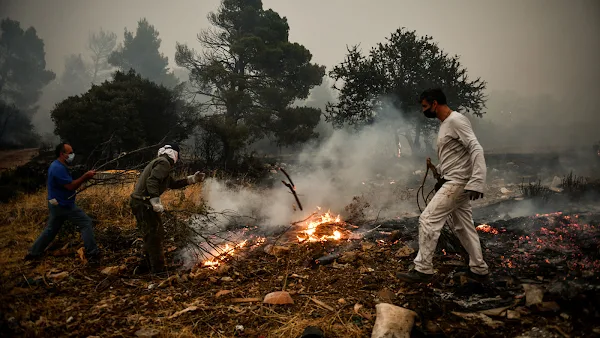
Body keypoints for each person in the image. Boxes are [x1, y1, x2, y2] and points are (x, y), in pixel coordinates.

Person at [397, 88, 489, 283]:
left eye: (424, 106)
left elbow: (475, 147)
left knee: (428, 220)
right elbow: (455, 156)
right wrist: (438, 170)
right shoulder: (446, 124)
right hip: (454, 180)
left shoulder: (456, 120)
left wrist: (478, 181)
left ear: (435, 104)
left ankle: (423, 269)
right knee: (464, 227)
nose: (423, 111)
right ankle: (479, 268)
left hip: (458, 182)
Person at [130, 144, 205, 273]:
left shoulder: (161, 162)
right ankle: (158, 270)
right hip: (143, 203)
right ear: (174, 154)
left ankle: (145, 266)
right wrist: (155, 200)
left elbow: (173, 183)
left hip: (140, 202)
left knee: (151, 234)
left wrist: (192, 179)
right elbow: (152, 181)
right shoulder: (164, 163)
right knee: (155, 235)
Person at [25, 143, 100, 262]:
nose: (72, 155)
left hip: (56, 203)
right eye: (70, 153)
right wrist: (85, 176)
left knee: (51, 229)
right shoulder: (58, 168)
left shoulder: (58, 165)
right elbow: (70, 186)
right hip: (63, 205)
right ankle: (93, 253)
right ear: (62, 154)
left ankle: (33, 253)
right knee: (86, 223)